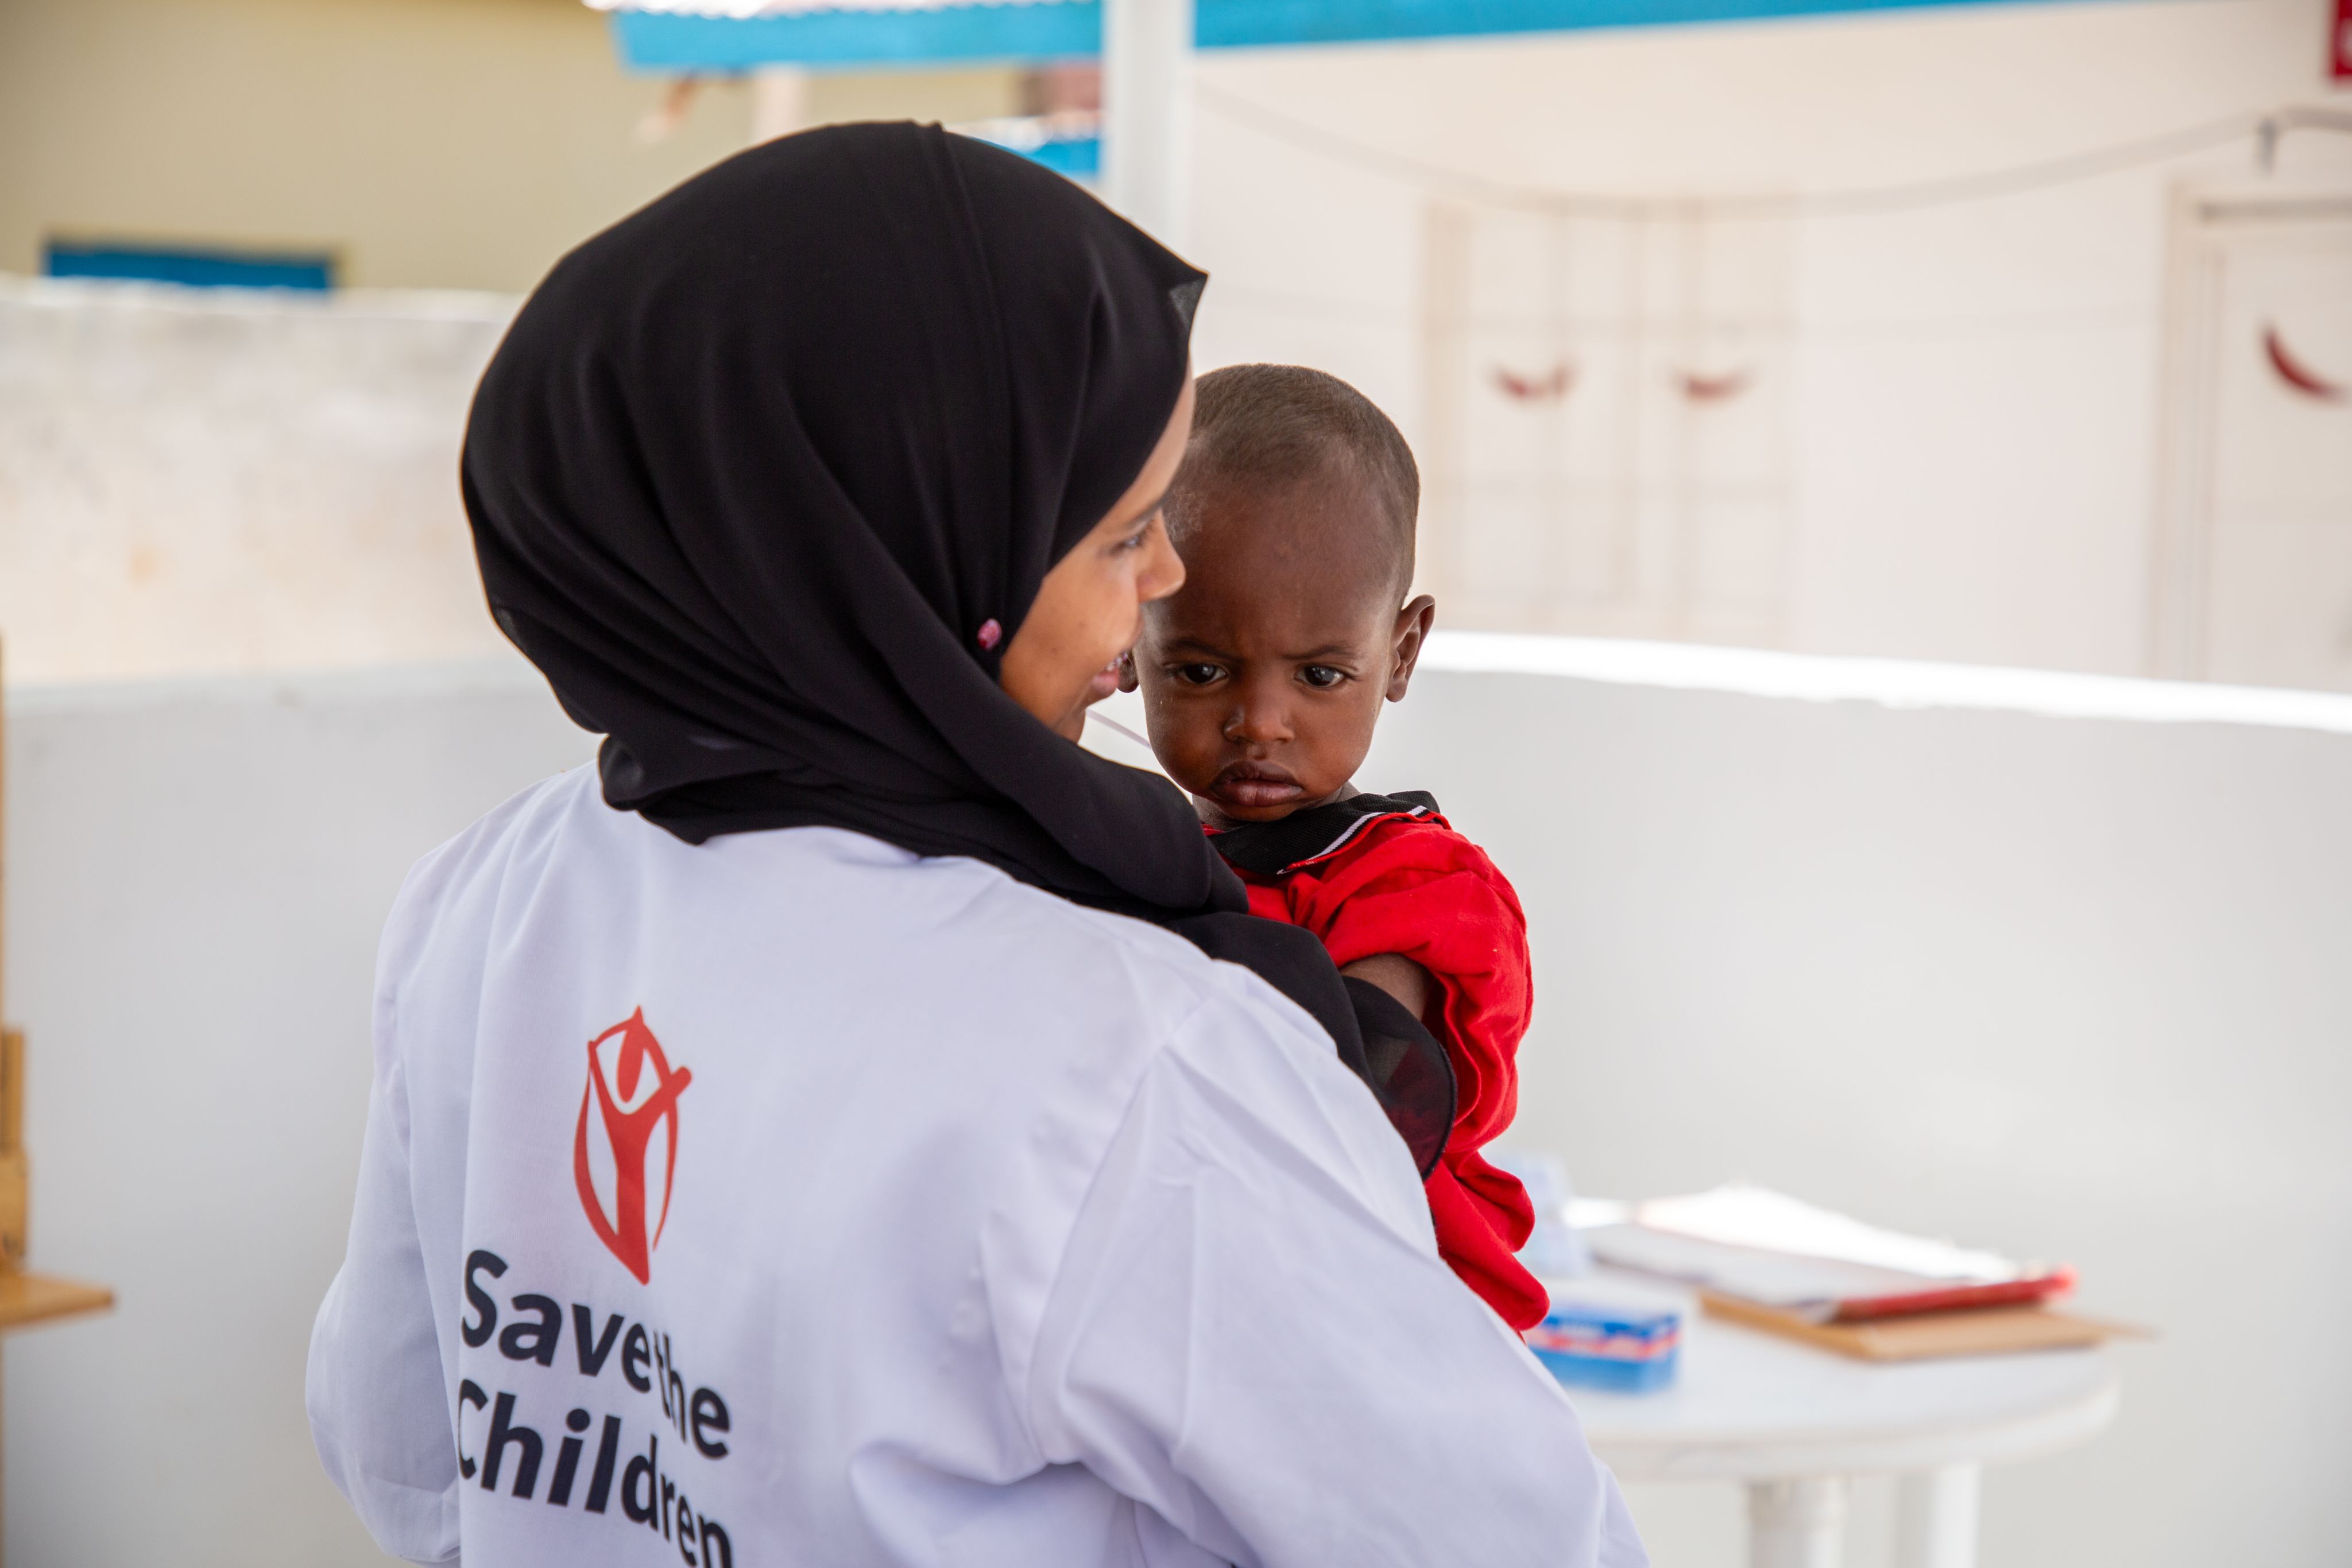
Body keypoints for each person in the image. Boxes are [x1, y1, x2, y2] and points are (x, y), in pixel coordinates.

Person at [305, 123, 1645, 1568]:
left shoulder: (485, 903)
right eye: (1119, 535)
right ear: (913, 550)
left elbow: (402, 1449)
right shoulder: (1134, 1053)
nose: (1163, 586)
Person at [1122, 363, 1550, 1333]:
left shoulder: (1408, 886)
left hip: (1399, 1328)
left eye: (1320, 673)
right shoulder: (1155, 850)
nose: (1258, 722)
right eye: (1198, 669)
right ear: (1127, 641)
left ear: (1399, 653)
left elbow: (1350, 1120)